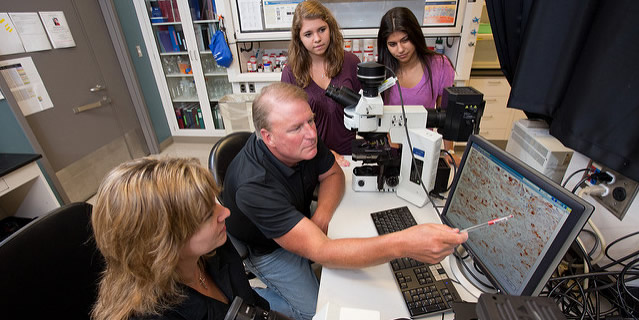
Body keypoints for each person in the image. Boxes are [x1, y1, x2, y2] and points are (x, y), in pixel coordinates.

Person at [222, 82, 468, 320]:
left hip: (297, 217)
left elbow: (332, 173)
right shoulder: (253, 185)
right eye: (296, 128)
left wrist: (322, 214)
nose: (311, 133)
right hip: (267, 248)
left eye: (310, 120)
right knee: (314, 312)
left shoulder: (302, 140)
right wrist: (404, 244)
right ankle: (249, 298)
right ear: (268, 137)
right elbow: (323, 251)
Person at [90, 157, 270, 320]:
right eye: (207, 215)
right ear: (164, 241)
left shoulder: (215, 245)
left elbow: (252, 302)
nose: (225, 212)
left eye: (214, 201)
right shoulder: (152, 314)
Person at [281, 0, 361, 166]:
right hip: (311, 156)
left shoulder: (351, 62)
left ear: (330, 28)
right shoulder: (291, 73)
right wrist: (327, 153)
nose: (317, 39)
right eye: (308, 34)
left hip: (349, 156)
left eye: (322, 30)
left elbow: (364, 110)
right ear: (299, 38)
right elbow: (290, 126)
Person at [377, 7, 458, 156]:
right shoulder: (381, 71)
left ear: (415, 35)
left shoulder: (440, 65)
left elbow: (446, 117)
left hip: (423, 148)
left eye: (405, 40)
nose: (400, 49)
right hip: (390, 149)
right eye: (392, 44)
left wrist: (449, 152)